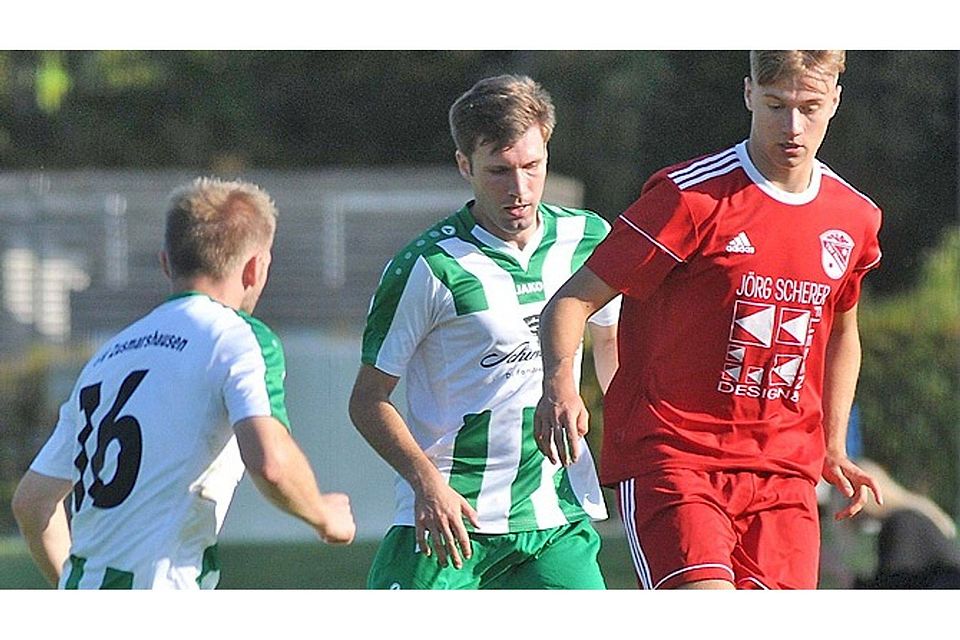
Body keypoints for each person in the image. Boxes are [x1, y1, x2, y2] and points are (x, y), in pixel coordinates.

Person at [535, 50, 884, 590]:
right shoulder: (689, 198)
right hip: (678, 459)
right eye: (776, 106)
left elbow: (841, 330)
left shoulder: (854, 215)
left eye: (809, 107)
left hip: (785, 473)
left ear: (835, 100)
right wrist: (561, 388)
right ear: (748, 94)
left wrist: (833, 444)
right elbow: (572, 301)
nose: (792, 126)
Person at [11, 177, 356, 589]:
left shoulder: (108, 357)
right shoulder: (237, 336)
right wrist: (323, 513)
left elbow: (32, 504)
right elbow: (270, 462)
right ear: (255, 268)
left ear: (165, 263)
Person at [349, 74, 620, 589]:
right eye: (498, 171)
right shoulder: (427, 267)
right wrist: (426, 484)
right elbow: (368, 399)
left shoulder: (588, 239)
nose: (519, 190)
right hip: (450, 519)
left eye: (531, 167)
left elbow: (609, 345)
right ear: (464, 165)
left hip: (554, 516)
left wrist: (637, 441)